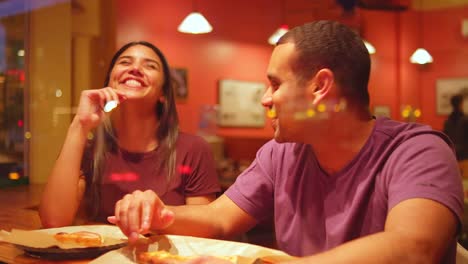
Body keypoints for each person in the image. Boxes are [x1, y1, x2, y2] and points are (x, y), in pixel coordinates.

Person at [109, 21, 463, 263]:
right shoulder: (282, 152)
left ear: (320, 87)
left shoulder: (417, 150)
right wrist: (160, 214)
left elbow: (415, 247)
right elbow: (218, 218)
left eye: (275, 84)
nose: (265, 99)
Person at [39, 41, 220, 230]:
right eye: (125, 62)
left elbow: (203, 230)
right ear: (109, 81)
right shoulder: (89, 150)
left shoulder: (193, 149)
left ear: (163, 93)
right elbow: (54, 221)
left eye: (150, 65)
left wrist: (157, 215)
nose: (135, 68)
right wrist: (79, 125)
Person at [443, 93, 468, 160]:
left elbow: (445, 138)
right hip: (464, 156)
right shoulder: (466, 120)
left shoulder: (447, 121)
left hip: (452, 154)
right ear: (460, 104)